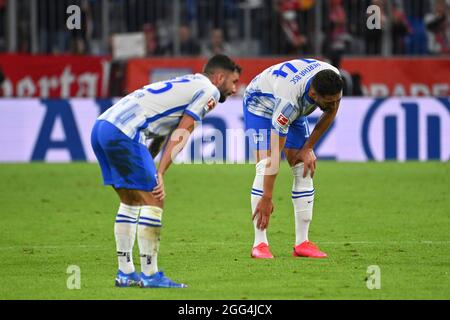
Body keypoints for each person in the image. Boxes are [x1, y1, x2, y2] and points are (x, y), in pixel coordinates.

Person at [91, 54, 241, 288]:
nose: (234, 89)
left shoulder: (188, 83)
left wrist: (150, 164)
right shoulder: (209, 91)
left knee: (131, 200)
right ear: (219, 77)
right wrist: (159, 173)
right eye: (233, 82)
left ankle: (126, 273)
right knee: (154, 200)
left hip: (102, 127)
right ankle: (150, 275)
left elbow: (163, 132)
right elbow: (182, 132)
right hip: (126, 132)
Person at [243, 58, 343, 259]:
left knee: (303, 167)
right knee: (264, 167)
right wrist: (267, 198)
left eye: (337, 99)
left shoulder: (332, 80)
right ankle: (259, 244)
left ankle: (302, 243)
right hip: (260, 103)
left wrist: (308, 148)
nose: (334, 104)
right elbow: (274, 158)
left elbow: (331, 112)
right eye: (329, 101)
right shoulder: (288, 105)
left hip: (293, 102)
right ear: (314, 95)